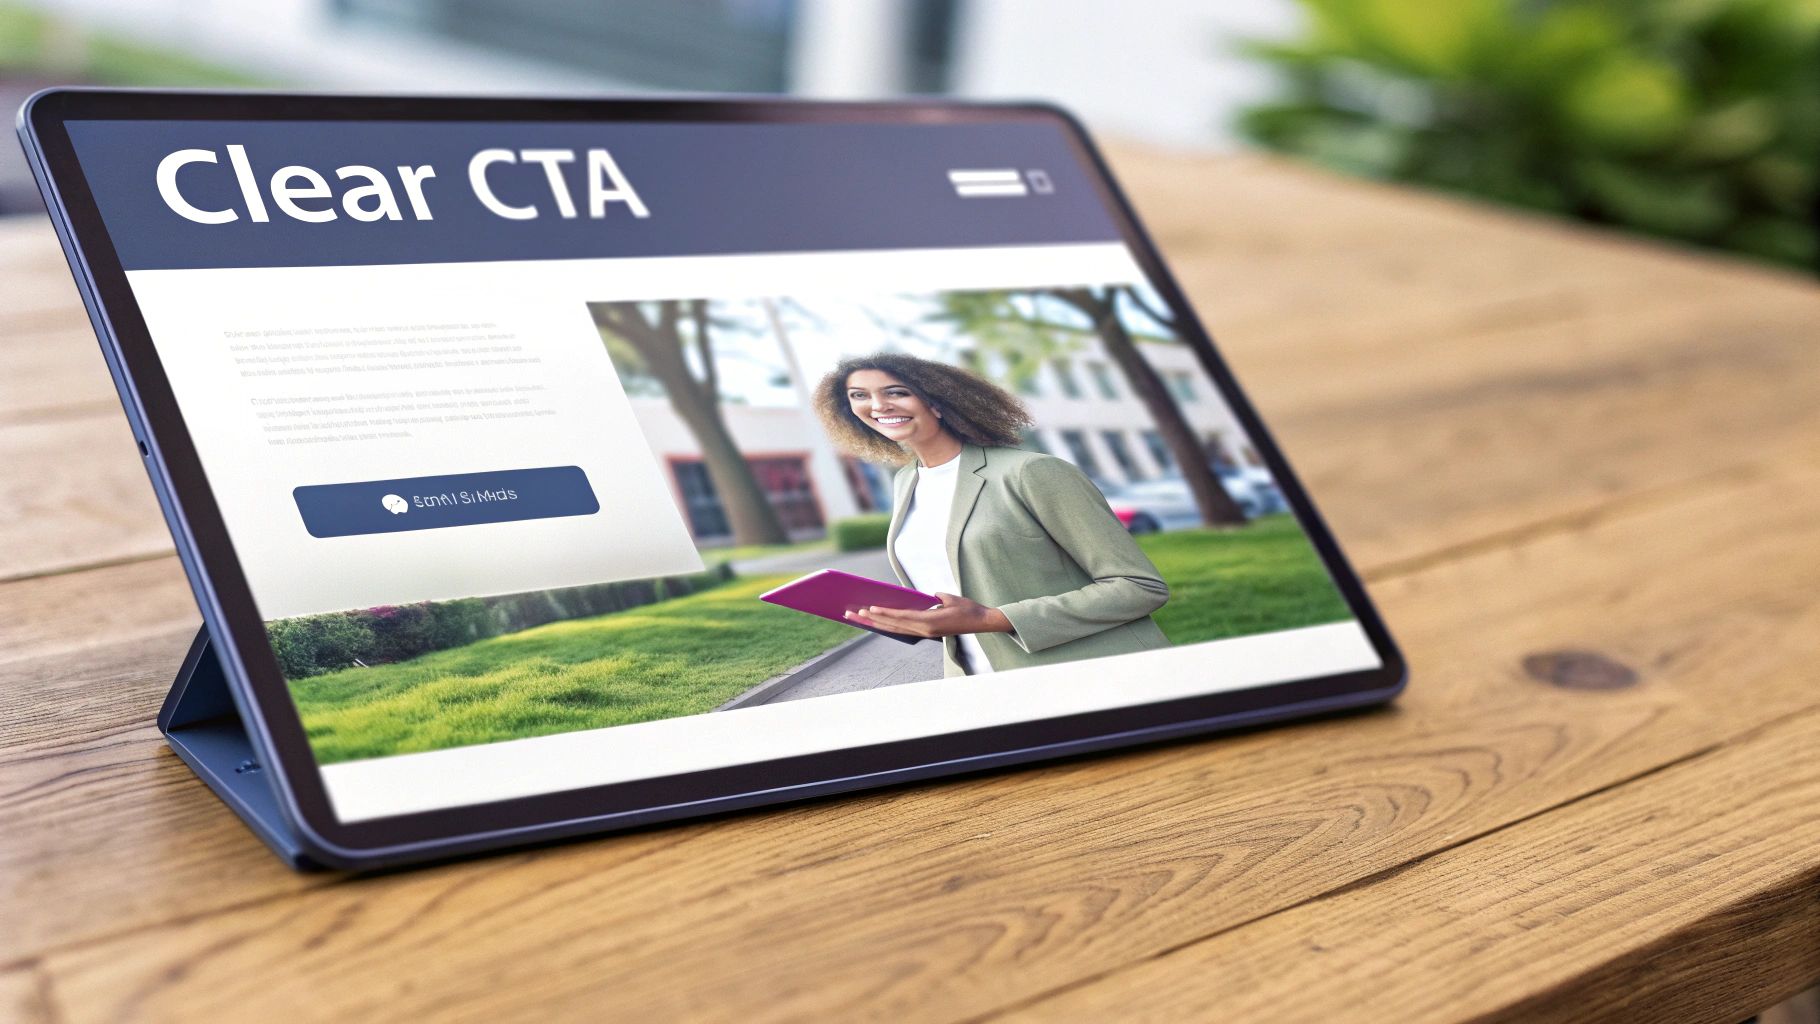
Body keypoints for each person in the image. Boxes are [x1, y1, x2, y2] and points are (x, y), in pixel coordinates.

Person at [813, 352, 1171, 677]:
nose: (878, 405)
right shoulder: (907, 481)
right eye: (858, 395)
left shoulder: (1032, 472)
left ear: (937, 402)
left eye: (896, 392)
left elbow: (1139, 587)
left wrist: (993, 619)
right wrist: (908, 620)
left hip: (1086, 672)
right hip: (978, 682)